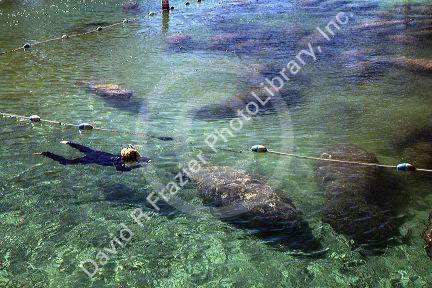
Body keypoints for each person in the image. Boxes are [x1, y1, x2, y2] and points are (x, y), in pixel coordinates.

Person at [37, 141, 150, 171]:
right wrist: (139, 166)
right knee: (67, 162)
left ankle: (69, 142)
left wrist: (132, 149)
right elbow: (124, 170)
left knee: (85, 149)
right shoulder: (119, 164)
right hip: (91, 160)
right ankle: (46, 154)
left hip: (97, 154)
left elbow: (133, 156)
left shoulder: (119, 158)